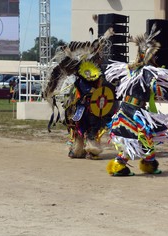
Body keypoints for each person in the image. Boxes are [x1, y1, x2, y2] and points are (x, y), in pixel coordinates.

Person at [104, 24, 168, 176]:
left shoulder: (130, 70)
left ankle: (120, 166)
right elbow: (154, 86)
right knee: (142, 138)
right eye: (154, 56)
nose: (156, 58)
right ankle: (146, 165)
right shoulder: (145, 72)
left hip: (125, 109)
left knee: (130, 139)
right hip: (134, 113)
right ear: (149, 56)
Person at [43, 30, 115, 160]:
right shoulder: (81, 70)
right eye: (98, 57)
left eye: (100, 57)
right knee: (78, 126)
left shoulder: (97, 72)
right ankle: (77, 149)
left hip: (94, 105)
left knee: (94, 126)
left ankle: (92, 149)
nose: (100, 59)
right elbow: (80, 85)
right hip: (81, 105)